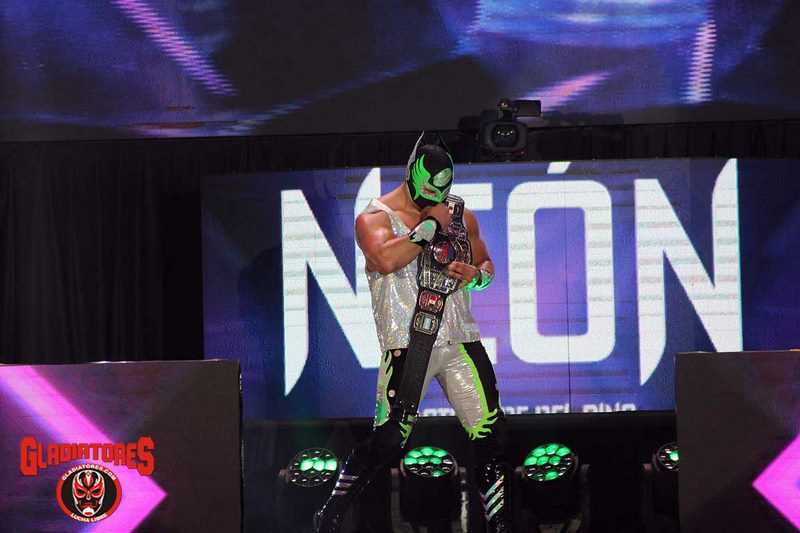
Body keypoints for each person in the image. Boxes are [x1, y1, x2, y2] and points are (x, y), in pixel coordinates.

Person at [314, 136, 513, 532]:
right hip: (408, 344)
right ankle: (331, 512)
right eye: (428, 191)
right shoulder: (374, 218)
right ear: (411, 176)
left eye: (443, 191)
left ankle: (500, 525)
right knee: (388, 440)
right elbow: (386, 259)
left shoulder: (460, 215)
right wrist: (430, 225)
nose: (436, 199)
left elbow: (488, 266)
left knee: (493, 436)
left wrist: (475, 276)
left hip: (459, 339)